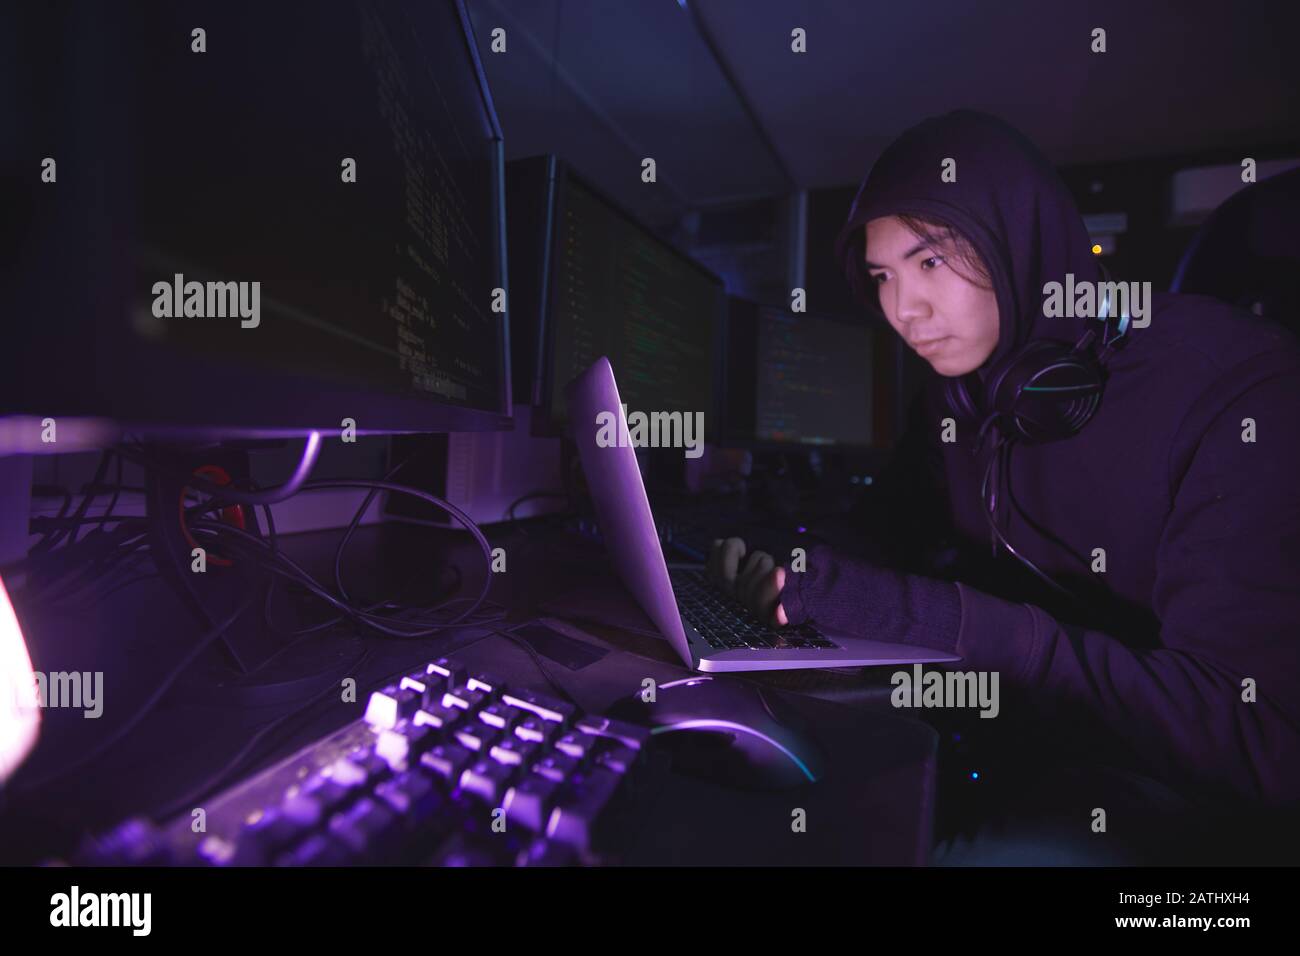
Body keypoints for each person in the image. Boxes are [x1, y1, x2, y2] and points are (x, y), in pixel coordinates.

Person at [706, 110, 1300, 865]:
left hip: (1173, 790)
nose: (904, 310)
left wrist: (944, 621)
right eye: (883, 276)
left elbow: (1261, 741)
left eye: (930, 261)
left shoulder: (1238, 390)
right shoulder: (963, 394)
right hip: (1017, 733)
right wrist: (790, 569)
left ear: (1023, 241)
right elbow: (885, 528)